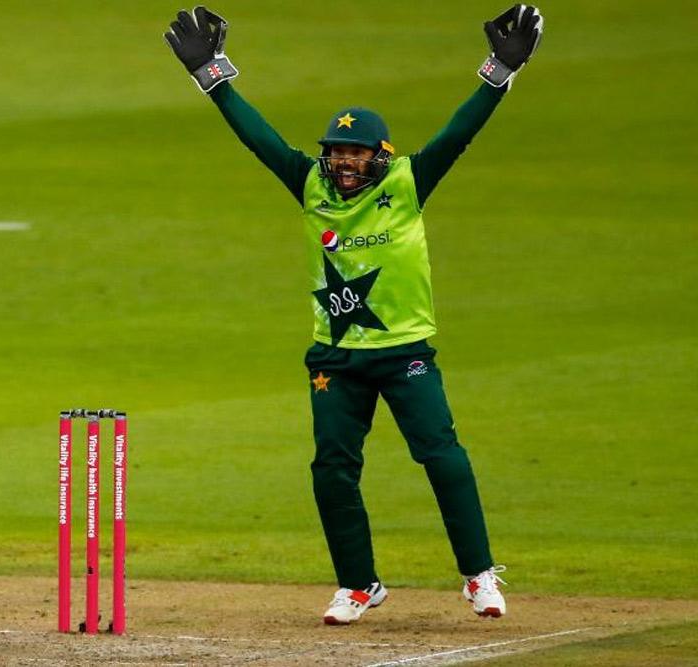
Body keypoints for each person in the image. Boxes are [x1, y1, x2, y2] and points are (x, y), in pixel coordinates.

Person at [166, 5, 543, 624]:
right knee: (332, 471)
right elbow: (258, 138)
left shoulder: (409, 181)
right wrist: (211, 75)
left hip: (405, 352)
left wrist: (499, 71)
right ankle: (358, 585)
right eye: (336, 152)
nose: (343, 162)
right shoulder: (309, 183)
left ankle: (478, 576)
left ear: (379, 156)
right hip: (336, 358)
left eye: (355, 153)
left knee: (442, 457)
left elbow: (459, 133)